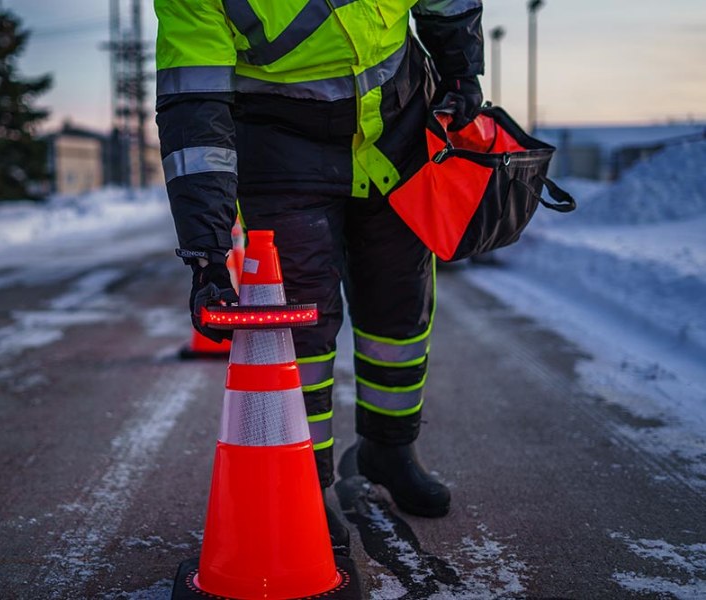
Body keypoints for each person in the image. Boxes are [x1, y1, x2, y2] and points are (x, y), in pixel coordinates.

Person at [154, 0, 484, 553]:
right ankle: (306, 482)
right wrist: (207, 252)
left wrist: (460, 70)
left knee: (399, 305)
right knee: (299, 323)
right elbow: (194, 104)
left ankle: (390, 448)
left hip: (397, 130)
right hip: (280, 150)